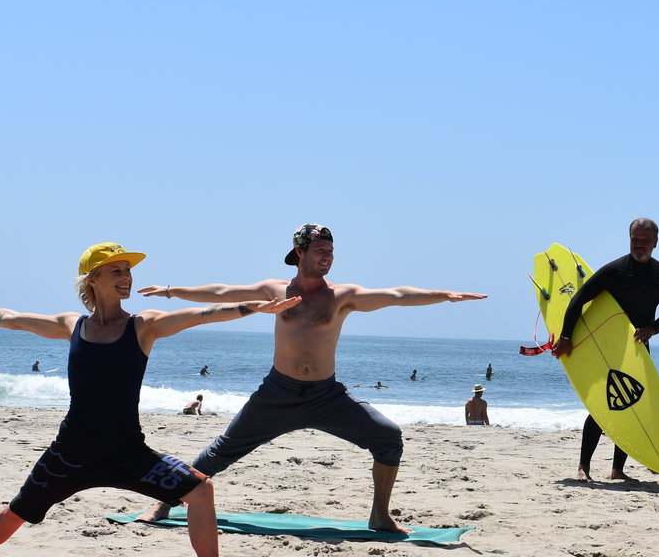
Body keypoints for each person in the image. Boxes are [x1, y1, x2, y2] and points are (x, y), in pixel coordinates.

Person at [0, 242, 297, 557]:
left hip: (128, 453)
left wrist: (256, 308)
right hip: (71, 453)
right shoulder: (71, 325)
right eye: (116, 271)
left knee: (200, 491)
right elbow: (10, 319)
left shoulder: (143, 325)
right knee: (18, 510)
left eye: (128, 271)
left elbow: (203, 315)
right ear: (93, 279)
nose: (127, 278)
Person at [137, 223, 486, 532]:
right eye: (320, 250)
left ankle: (380, 516)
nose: (328, 257)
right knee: (220, 452)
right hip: (278, 392)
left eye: (331, 251)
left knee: (389, 438)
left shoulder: (341, 296)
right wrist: (171, 290)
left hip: (326, 396)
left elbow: (397, 295)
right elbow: (221, 293)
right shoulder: (276, 290)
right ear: (299, 252)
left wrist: (444, 296)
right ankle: (165, 502)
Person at [551, 218, 659, 481]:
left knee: (633, 406)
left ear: (656, 242)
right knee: (601, 408)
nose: (639, 244)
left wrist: (652, 329)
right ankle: (583, 467)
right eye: (635, 239)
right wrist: (566, 336)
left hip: (637, 350)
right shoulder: (614, 270)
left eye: (644, 240)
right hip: (605, 350)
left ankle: (617, 470)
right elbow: (578, 300)